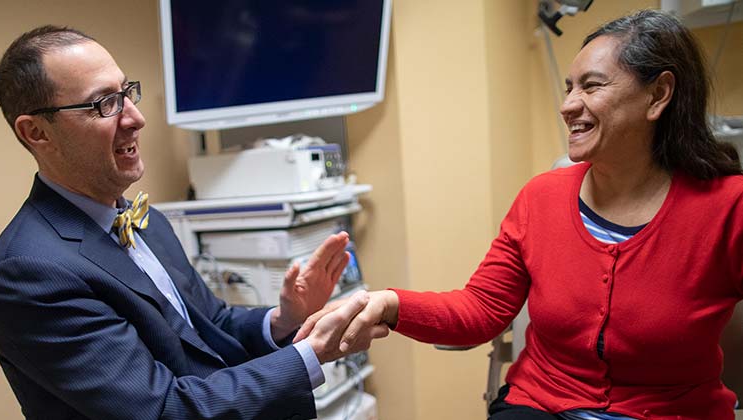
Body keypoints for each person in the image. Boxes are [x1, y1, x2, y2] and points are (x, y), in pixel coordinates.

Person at [297, 9, 743, 420]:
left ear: (658, 95)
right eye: (569, 88)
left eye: (591, 86)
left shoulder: (728, 208)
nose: (569, 105)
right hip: (541, 404)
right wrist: (387, 304)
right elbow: (481, 309)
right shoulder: (541, 197)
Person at [0, 25, 387, 420]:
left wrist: (283, 320)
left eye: (127, 92)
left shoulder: (149, 222)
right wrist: (311, 354)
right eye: (104, 103)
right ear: (36, 132)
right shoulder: (27, 274)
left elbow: (212, 325)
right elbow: (162, 409)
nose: (136, 118)